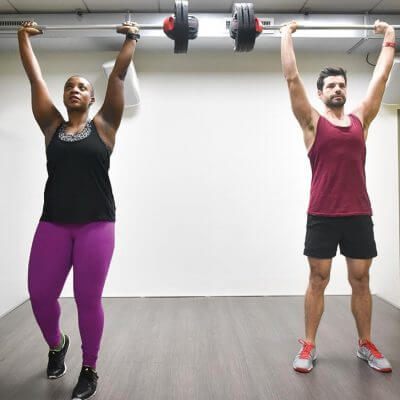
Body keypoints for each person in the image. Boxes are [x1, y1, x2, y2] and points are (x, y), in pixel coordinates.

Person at [18, 19, 139, 399]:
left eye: (82, 87)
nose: (74, 89)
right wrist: (23, 37)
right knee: (40, 295)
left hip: (96, 226)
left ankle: (90, 368)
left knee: (88, 299)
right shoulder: (51, 126)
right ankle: (57, 346)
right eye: (69, 85)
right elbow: (35, 80)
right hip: (53, 224)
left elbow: (117, 78)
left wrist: (132, 38)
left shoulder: (104, 126)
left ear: (90, 99)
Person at [280, 20, 395, 373]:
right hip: (323, 215)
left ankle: (365, 345)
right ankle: (309, 345)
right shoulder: (313, 124)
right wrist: (286, 35)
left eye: (342, 85)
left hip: (359, 214)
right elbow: (291, 78)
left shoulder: (362, 119)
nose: (337, 89)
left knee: (361, 280)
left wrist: (389, 35)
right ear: (321, 93)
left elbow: (382, 79)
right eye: (330, 85)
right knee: (318, 279)